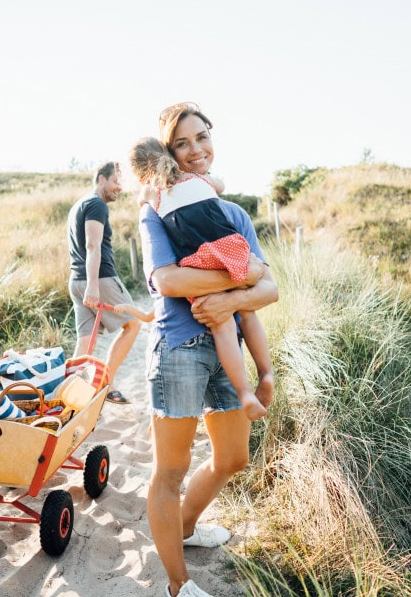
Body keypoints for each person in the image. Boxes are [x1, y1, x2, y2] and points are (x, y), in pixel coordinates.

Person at [136, 102, 279, 597]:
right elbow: (168, 279)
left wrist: (229, 300)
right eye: (182, 142)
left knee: (233, 458)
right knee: (169, 472)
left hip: (227, 346)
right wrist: (240, 277)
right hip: (179, 346)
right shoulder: (157, 207)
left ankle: (187, 528)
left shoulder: (233, 211)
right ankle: (178, 583)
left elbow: (270, 290)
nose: (196, 149)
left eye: (202, 137)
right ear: (167, 155)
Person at [128, 136, 274, 420]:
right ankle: (265, 373)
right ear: (170, 155)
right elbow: (220, 186)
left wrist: (147, 191)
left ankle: (244, 392)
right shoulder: (201, 183)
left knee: (221, 325)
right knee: (248, 313)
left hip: (202, 260)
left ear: (141, 173)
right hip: (232, 246)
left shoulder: (153, 194)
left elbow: (142, 199)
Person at [67, 161, 141, 404]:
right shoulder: (96, 204)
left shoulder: (79, 204)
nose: (119, 187)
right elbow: (92, 244)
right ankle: (106, 383)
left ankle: (68, 396)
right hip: (98, 278)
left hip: (76, 281)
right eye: (116, 182)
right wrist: (93, 285)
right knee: (133, 324)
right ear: (101, 179)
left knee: (85, 343)